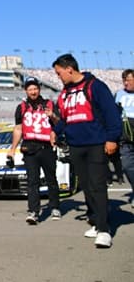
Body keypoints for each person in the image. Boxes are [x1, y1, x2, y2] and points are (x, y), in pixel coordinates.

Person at [49, 54, 122, 248]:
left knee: (98, 185)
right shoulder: (64, 93)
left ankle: (105, 230)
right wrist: (55, 132)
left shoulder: (95, 86)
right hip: (76, 146)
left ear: (69, 69)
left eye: (59, 73)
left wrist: (112, 138)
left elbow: (111, 114)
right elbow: (64, 118)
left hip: (96, 144)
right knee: (87, 186)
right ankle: (95, 221)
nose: (58, 77)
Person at [7, 76, 60, 225]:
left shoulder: (49, 104)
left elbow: (58, 123)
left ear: (39, 89)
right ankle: (33, 212)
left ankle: (55, 206)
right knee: (32, 182)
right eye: (30, 89)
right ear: (26, 91)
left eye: (35, 88)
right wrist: (12, 149)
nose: (33, 91)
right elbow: (18, 129)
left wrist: (53, 116)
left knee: (51, 179)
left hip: (47, 147)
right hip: (29, 148)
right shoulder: (22, 107)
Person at [114, 68, 134, 206]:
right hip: (125, 137)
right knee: (127, 166)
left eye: (128, 80)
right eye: (124, 80)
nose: (125, 83)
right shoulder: (119, 94)